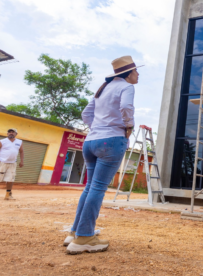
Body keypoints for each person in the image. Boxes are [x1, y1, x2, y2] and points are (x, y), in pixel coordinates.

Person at [65, 55, 140, 255]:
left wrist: (97, 129)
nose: (138, 74)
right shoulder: (127, 86)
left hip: (90, 141)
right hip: (112, 140)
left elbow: (86, 114)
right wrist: (128, 126)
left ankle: (75, 232)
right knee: (97, 188)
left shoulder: (103, 88)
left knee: (90, 187)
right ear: (130, 73)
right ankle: (84, 238)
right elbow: (126, 107)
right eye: (136, 71)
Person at [0, 128, 24, 201]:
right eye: (9, 132)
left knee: (10, 179)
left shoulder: (19, 142)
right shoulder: (2, 141)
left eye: (13, 132)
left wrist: (22, 161)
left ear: (16, 134)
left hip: (12, 163)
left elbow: (21, 152)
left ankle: (8, 195)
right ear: (7, 134)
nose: (11, 133)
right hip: (1, 163)